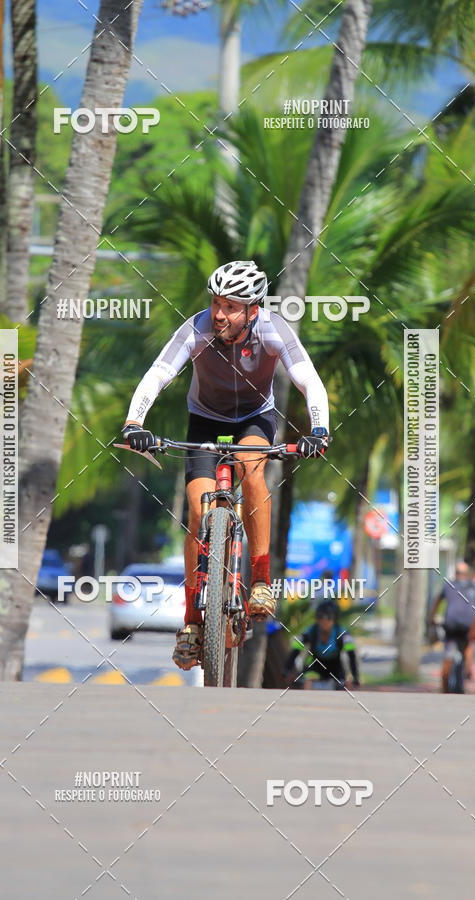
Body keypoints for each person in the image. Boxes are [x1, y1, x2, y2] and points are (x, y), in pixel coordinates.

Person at [121, 260, 330, 670]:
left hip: (255, 418)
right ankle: (192, 624)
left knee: (252, 468)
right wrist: (134, 422)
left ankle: (261, 581)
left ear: (252, 310)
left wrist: (319, 429)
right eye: (216, 302)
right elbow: (158, 374)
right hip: (204, 419)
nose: (219, 313)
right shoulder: (197, 328)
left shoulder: (272, 329)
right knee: (198, 512)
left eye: (231, 306)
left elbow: (309, 380)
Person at [428, 561, 475, 692]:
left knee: (448, 653)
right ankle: (466, 674)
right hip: (468, 626)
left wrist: (432, 618)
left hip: (451, 625)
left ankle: (444, 686)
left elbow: (437, 601)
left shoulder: (449, 585)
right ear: (467, 574)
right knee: (468, 650)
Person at [284, 601, 360, 689]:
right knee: (307, 681)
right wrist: (287, 670)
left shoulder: (342, 633)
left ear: (334, 619)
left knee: (343, 688)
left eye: (329, 617)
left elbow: (351, 655)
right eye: (320, 617)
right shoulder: (311, 631)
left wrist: (355, 677)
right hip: (314, 667)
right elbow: (296, 650)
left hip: (336, 669)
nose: (324, 621)